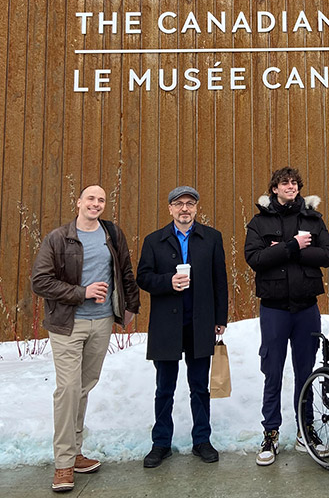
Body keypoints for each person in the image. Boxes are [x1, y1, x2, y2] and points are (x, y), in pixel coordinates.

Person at [31, 185, 139, 493]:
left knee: (83, 387)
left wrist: (130, 307)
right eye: (90, 198)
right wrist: (82, 293)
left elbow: (126, 272)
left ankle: (75, 452)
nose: (96, 203)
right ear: (78, 202)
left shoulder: (112, 235)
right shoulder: (58, 238)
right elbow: (40, 281)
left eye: (101, 200)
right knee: (67, 389)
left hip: (102, 323)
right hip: (67, 324)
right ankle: (63, 464)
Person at [243, 166, 329, 466]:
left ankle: (305, 430)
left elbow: (327, 254)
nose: (291, 187)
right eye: (284, 183)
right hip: (274, 309)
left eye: (295, 183)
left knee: (306, 373)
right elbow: (254, 259)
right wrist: (292, 245)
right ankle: (270, 433)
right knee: (272, 372)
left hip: (306, 308)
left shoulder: (313, 218)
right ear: (274, 189)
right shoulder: (259, 221)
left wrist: (288, 251)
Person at [136, 186, 229, 468]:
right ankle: (161, 443)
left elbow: (220, 280)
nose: (185, 209)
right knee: (164, 388)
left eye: (190, 203)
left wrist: (220, 319)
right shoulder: (154, 241)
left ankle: (202, 440)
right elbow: (143, 277)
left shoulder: (211, 238)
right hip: (166, 326)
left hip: (200, 324)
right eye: (179, 204)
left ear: (197, 208)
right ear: (170, 209)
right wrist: (168, 282)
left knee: (199, 387)